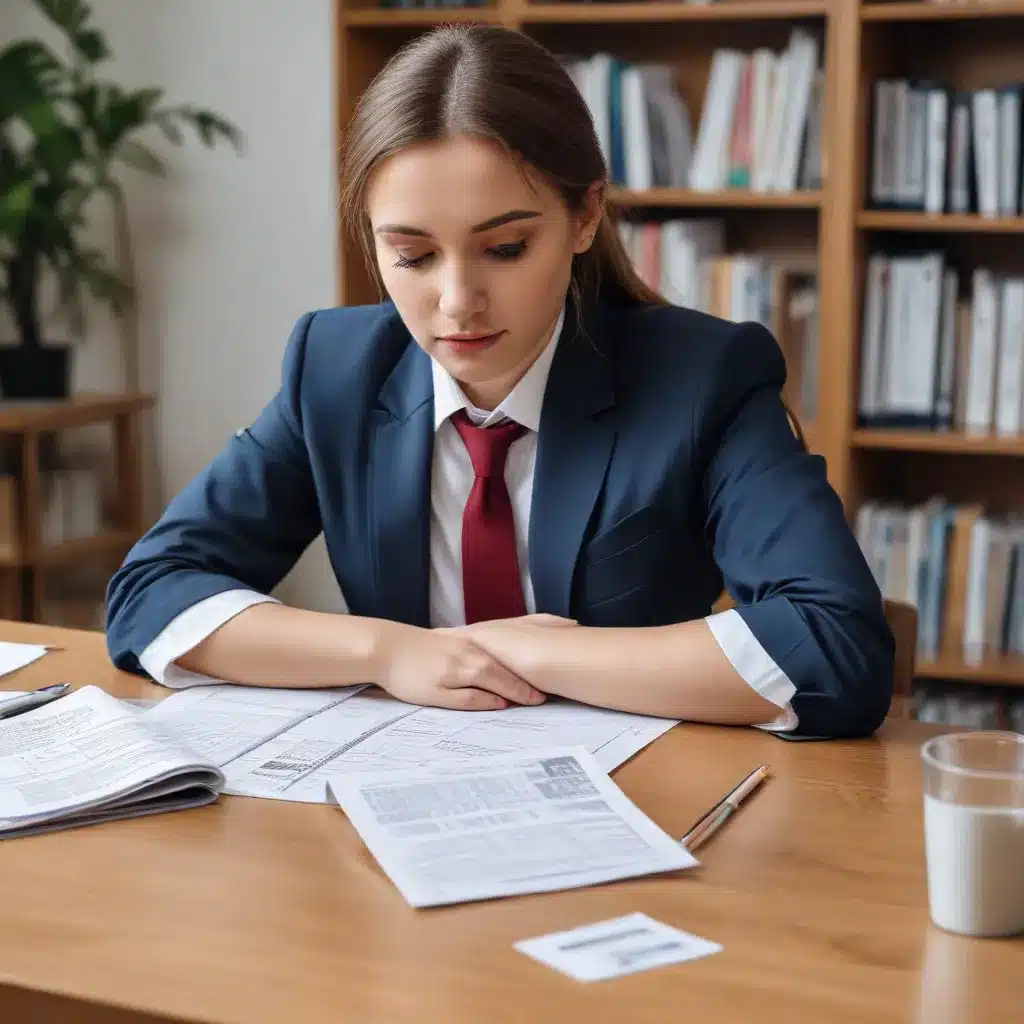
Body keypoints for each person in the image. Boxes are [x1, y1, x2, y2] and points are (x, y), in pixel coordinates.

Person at [105, 25, 893, 739]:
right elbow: (152, 593)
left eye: (505, 248)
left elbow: (837, 645)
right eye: (412, 256)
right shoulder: (336, 369)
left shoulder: (703, 378)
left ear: (585, 217)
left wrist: (540, 655)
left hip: (643, 804)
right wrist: (390, 652)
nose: (456, 303)